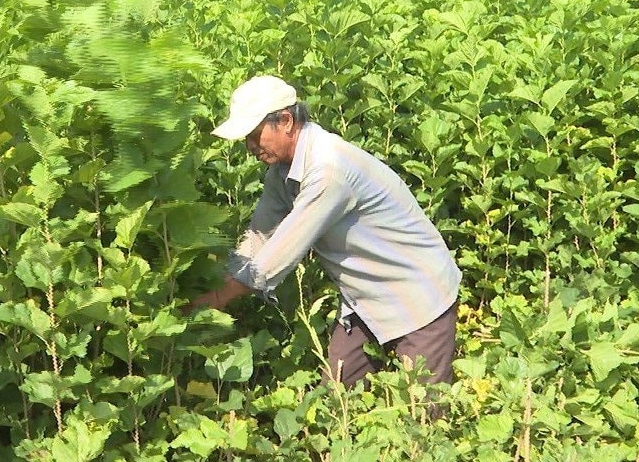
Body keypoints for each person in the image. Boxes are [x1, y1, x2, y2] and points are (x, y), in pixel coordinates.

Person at [189, 75, 461, 387]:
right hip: (364, 300)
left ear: (287, 121)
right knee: (337, 395)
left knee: (424, 411)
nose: (249, 146)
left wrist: (216, 299)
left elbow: (278, 256)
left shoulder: (329, 169)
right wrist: (215, 283)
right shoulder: (281, 172)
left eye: (254, 135)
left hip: (416, 294)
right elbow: (259, 238)